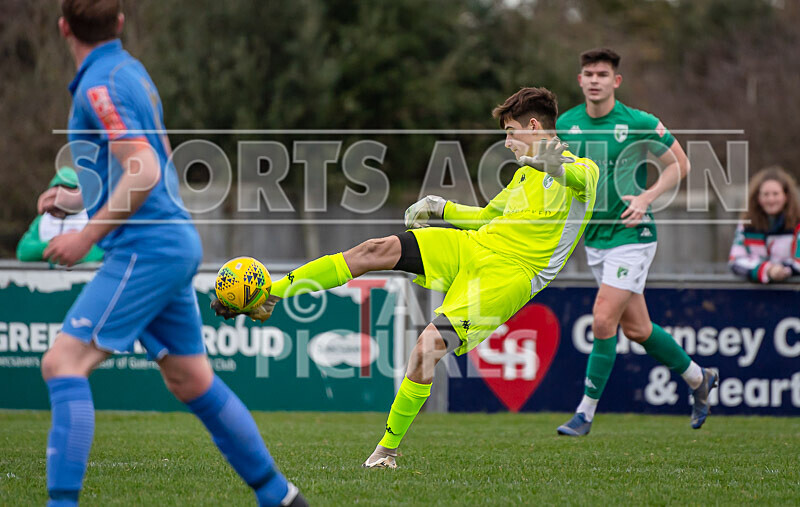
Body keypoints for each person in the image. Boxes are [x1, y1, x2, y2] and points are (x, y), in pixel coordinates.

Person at [212, 87, 599, 469]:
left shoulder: (583, 171)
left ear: (534, 126)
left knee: (426, 349)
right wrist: (439, 205)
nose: (508, 142)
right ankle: (272, 294)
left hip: (513, 273)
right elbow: (486, 219)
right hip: (474, 246)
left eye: (511, 132)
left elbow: (571, 176)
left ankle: (387, 451)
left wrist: (547, 162)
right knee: (373, 250)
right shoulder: (521, 178)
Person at [39, 1, 306, 505]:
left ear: (62, 28)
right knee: (190, 379)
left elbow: (143, 170)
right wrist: (76, 198)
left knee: (62, 364)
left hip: (146, 247)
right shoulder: (131, 73)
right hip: (169, 240)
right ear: (119, 23)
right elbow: (146, 161)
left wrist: (84, 235)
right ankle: (283, 498)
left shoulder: (101, 85)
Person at [555, 48, 718, 436]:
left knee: (602, 318)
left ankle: (585, 414)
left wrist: (646, 198)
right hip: (594, 237)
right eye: (588, 74)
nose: (595, 80)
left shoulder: (638, 121)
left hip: (633, 234)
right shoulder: (566, 124)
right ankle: (700, 378)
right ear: (580, 80)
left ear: (616, 81)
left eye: (602, 74)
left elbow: (680, 164)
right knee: (638, 330)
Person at [17, 166, 104, 264]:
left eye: (68, 190)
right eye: (56, 191)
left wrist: (78, 245)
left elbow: (102, 251)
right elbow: (23, 251)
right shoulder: (43, 219)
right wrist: (55, 247)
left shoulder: (93, 215)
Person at [729, 166, 800, 282]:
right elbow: (736, 261)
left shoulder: (797, 224)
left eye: (775, 194)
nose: (771, 199)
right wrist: (767, 270)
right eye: (766, 194)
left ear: (786, 196)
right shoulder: (747, 225)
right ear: (758, 198)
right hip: (756, 294)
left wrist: (782, 271)